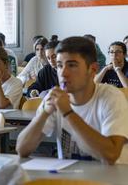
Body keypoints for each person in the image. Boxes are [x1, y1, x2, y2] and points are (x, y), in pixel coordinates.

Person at [16, 36, 128, 164]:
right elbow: (22, 149)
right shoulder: (55, 98)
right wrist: (45, 113)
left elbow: (111, 154)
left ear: (92, 69)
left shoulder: (111, 97)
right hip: (70, 179)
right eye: (59, 66)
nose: (63, 73)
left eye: (72, 65)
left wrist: (68, 113)